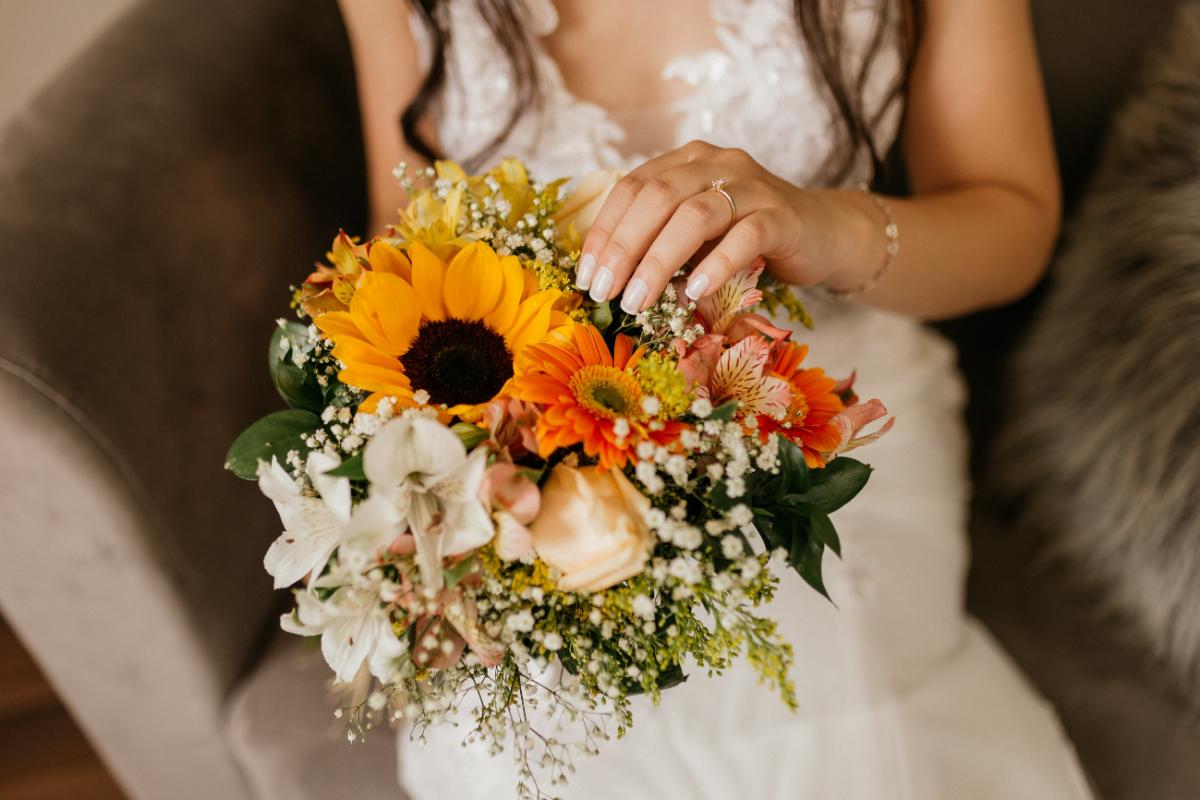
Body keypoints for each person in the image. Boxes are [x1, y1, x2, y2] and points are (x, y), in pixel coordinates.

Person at [338, 1, 1093, 797]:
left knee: (811, 692)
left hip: (820, 397)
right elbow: (412, 244)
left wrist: (825, 226)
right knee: (527, 741)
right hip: (539, 413)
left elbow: (1013, 217)